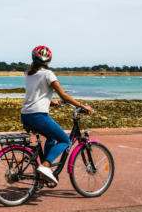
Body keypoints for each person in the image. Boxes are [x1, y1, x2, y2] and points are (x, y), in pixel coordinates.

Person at [21, 45, 94, 185]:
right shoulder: (48, 74)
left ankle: (43, 171)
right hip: (38, 116)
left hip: (25, 115)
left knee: (50, 137)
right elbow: (64, 95)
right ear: (48, 60)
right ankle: (46, 165)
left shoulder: (28, 74)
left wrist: (50, 101)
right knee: (65, 140)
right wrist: (82, 106)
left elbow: (35, 93)